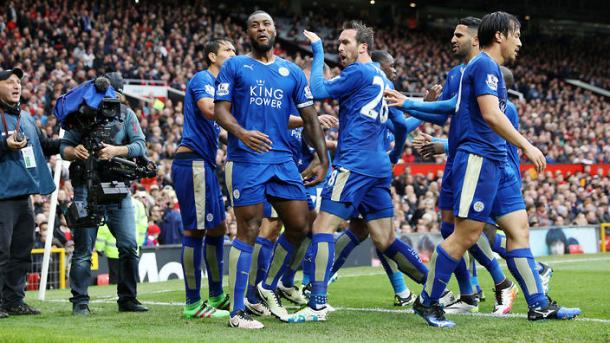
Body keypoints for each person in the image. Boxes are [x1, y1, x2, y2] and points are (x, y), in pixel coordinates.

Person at [389, 11, 580, 327]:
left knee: (518, 232)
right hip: (478, 158)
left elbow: (453, 107)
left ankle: (539, 304)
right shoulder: (485, 66)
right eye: (517, 35)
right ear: (501, 35)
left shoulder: (480, 68)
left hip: (495, 163)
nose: (520, 42)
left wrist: (410, 103)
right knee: (465, 234)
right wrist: (527, 145)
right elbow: (490, 115)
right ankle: (427, 301)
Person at [284, 22, 430, 324]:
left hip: (354, 164)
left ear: (363, 46)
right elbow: (401, 125)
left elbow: (318, 90)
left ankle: (317, 303)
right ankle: (435, 291)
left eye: (344, 42)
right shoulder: (379, 76)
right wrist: (393, 154)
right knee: (386, 239)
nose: (340, 47)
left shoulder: (359, 72)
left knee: (323, 228)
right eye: (337, 43)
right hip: (377, 167)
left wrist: (318, 49)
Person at [214, 10, 329, 329]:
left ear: (276, 30)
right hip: (246, 159)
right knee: (248, 229)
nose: (261, 28)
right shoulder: (235, 66)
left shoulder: (291, 71)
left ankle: (267, 286)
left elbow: (310, 118)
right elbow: (220, 111)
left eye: (266, 24)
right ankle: (237, 311)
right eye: (254, 25)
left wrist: (323, 158)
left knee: (301, 224)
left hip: (282, 160)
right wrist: (241, 133)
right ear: (247, 33)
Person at [61, 73, 149, 316]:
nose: (109, 100)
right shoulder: (82, 115)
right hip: (86, 189)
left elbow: (141, 145)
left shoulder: (127, 115)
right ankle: (80, 302)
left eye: (114, 95)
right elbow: (62, 148)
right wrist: (74, 151)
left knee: (129, 246)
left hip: (119, 190)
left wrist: (115, 150)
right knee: (83, 251)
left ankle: (128, 299)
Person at [171, 37, 236, 320]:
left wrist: (242, 138)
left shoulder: (220, 85)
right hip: (192, 162)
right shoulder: (202, 79)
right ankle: (193, 303)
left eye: (235, 50)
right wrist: (242, 124)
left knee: (219, 228)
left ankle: (217, 294)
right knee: (195, 231)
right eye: (228, 50)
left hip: (206, 165)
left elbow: (220, 130)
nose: (233, 54)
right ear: (212, 56)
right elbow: (210, 111)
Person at [0, 67, 59, 318]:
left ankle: (14, 300)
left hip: (25, 197)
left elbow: (45, 147)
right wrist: (4, 145)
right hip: (2, 197)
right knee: (1, 253)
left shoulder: (27, 119)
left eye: (19, 83)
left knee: (21, 252)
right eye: (10, 81)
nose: (17, 86)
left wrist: (69, 143)